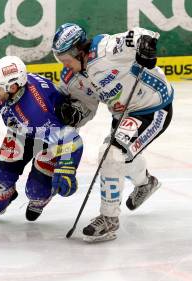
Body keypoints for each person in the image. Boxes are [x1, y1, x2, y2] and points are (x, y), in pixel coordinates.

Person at [51, 23, 174, 242]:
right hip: (123, 115)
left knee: (111, 155)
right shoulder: (74, 78)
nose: (65, 66)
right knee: (120, 157)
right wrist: (74, 114)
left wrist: (145, 46)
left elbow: (141, 34)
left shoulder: (106, 49)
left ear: (78, 51)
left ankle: (109, 219)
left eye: (65, 59)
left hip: (152, 107)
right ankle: (146, 183)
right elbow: (86, 109)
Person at [0, 55, 83, 222]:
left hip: (49, 139)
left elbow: (70, 140)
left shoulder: (38, 109)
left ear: (14, 87)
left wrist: (66, 168)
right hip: (20, 131)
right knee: (0, 180)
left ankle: (40, 199)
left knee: (36, 190)